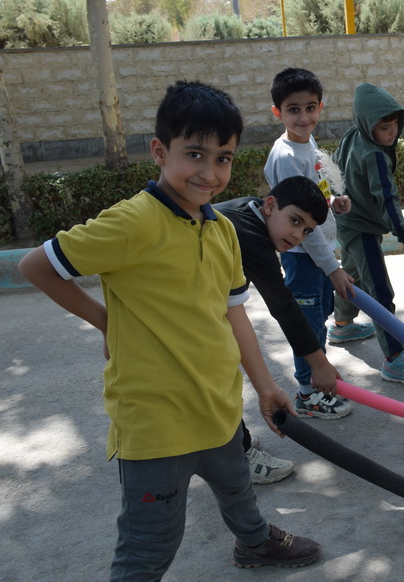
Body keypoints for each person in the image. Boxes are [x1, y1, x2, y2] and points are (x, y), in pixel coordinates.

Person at [17, 80, 321, 574]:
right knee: (151, 542)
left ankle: (254, 543)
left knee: (238, 488)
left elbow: (234, 314)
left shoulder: (221, 230)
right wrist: (106, 322)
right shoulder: (132, 222)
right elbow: (36, 266)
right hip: (156, 424)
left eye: (222, 158)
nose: (209, 172)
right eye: (194, 154)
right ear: (160, 151)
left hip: (218, 406)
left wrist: (265, 386)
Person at [215, 176, 351, 484]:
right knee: (215, 375)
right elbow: (282, 304)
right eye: (295, 221)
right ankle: (236, 456)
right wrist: (319, 364)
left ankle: (232, 443)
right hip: (175, 312)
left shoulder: (248, 210)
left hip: (198, 306)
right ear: (270, 205)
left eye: (307, 231)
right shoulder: (249, 235)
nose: (298, 235)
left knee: (219, 370)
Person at [265, 67, 360, 421]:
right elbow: (302, 225)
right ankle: (308, 393)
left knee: (319, 318)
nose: (304, 117)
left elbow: (312, 196)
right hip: (303, 255)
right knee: (307, 323)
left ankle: (318, 372)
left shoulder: (308, 143)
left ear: (320, 107)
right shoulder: (286, 157)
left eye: (310, 108)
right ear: (278, 113)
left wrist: (332, 203)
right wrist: (333, 268)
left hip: (318, 253)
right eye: (294, 110)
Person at [332, 82, 404, 385]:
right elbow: (388, 200)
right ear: (368, 126)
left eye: (394, 125)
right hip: (361, 228)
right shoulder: (375, 155)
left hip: (346, 222)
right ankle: (394, 358)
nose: (392, 133)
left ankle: (342, 323)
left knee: (351, 274)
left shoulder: (352, 135)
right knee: (379, 290)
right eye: (384, 128)